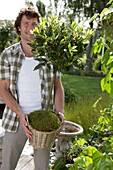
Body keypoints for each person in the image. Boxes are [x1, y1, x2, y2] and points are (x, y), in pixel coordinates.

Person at [0, 6, 64, 170]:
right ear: (19, 27)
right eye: (26, 23)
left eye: (34, 24)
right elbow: (3, 89)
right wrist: (21, 114)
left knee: (42, 167)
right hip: (16, 120)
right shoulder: (8, 55)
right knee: (7, 166)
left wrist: (60, 112)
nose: (30, 28)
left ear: (39, 27)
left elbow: (58, 86)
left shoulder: (49, 55)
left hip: (43, 123)